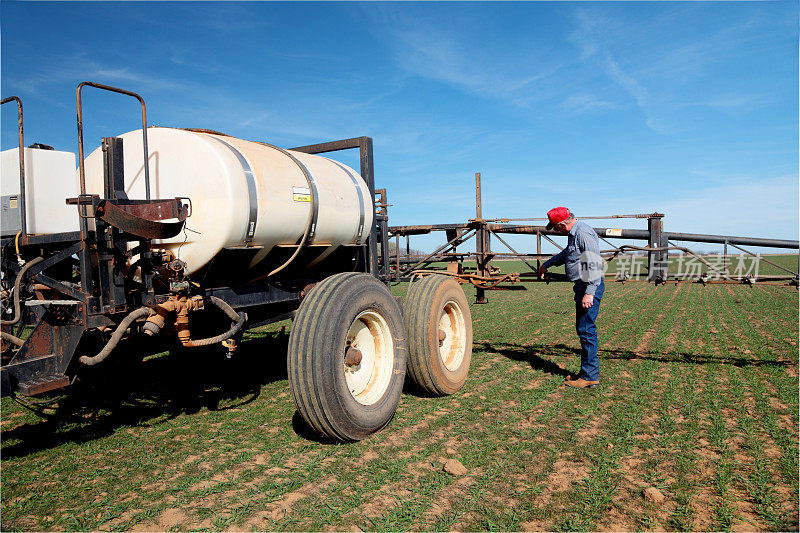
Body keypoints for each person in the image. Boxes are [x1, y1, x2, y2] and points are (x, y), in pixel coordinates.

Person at [538, 207, 605, 388]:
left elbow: (594, 263)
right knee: (584, 329)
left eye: (556, 227)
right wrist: (547, 264)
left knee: (586, 330)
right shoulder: (574, 235)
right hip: (582, 286)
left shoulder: (583, 233)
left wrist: (589, 292)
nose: (557, 230)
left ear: (562, 224)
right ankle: (587, 373)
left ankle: (590, 376)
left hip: (588, 286)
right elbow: (567, 254)